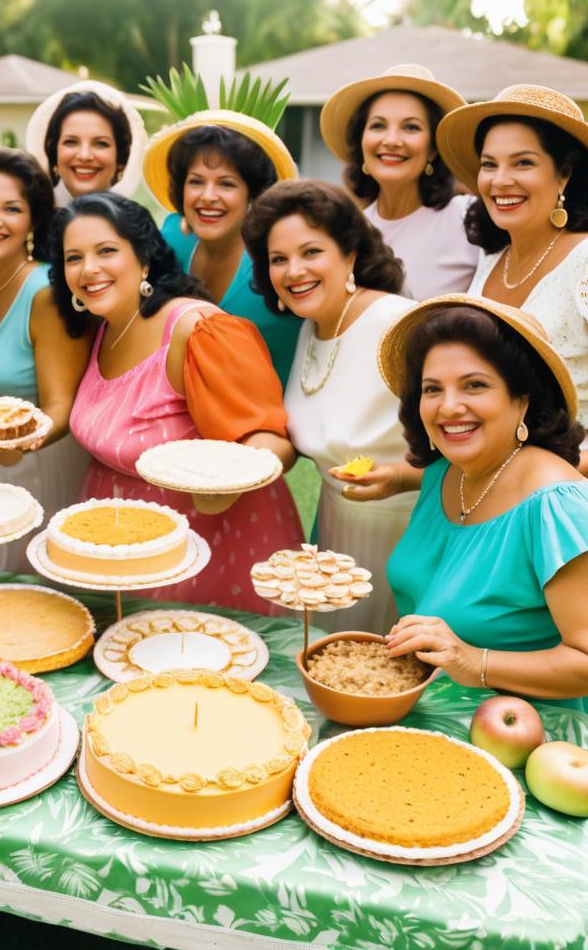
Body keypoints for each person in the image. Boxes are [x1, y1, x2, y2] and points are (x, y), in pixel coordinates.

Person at [378, 294, 588, 770]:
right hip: (448, 733)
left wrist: (475, 661)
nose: (449, 407)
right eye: (433, 389)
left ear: (522, 399)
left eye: (474, 385)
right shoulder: (445, 472)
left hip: (547, 751)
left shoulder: (557, 506)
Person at [50, 191, 304, 613]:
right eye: (74, 257)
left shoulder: (197, 329)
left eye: (106, 251)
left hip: (208, 545)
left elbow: (272, 440)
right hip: (117, 546)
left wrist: (219, 489)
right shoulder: (101, 328)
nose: (88, 269)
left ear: (144, 258)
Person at [436, 84, 588, 525]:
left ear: (564, 175)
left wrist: (566, 469)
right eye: (489, 164)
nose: (500, 180)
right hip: (510, 498)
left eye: (523, 162)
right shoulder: (491, 262)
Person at [244, 179, 416, 633]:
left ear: (351, 254)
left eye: (311, 252)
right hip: (335, 539)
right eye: (278, 259)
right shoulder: (311, 326)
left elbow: (478, 450)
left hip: (406, 544)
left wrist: (403, 476)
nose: (293, 270)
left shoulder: (397, 325)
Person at [0, 144, 91, 570]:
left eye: (11, 209)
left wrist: (18, 443)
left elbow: (62, 407)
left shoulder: (44, 292)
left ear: (32, 220)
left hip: (41, 456)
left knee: (26, 578)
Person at [142, 108, 301, 385]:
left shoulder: (278, 258)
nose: (208, 196)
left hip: (274, 417)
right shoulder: (172, 239)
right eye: (196, 182)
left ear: (252, 194)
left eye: (226, 184)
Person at [320, 64, 479, 300]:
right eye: (378, 126)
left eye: (411, 127)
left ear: (433, 149)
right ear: (361, 141)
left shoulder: (468, 219)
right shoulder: (350, 232)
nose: (392, 140)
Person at [25, 80, 148, 205]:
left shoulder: (138, 223)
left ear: (121, 155)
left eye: (101, 144)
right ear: (53, 151)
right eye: (71, 142)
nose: (84, 156)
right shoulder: (29, 220)